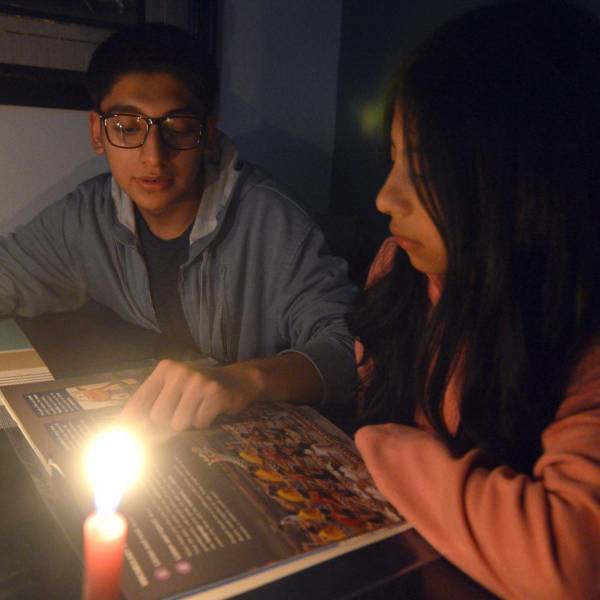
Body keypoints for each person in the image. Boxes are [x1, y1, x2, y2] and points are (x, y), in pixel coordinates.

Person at [348, 1, 600, 598]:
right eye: (393, 159)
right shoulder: (398, 271)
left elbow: (572, 564)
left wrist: (386, 449)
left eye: (424, 171)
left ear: (527, 185)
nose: (385, 198)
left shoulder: (578, 330)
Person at [0, 23, 357, 429]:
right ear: (98, 132)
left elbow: (351, 348)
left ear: (208, 134)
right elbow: (9, 273)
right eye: (128, 128)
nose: (154, 157)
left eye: (179, 128)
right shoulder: (88, 216)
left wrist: (245, 380)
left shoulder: (272, 222)